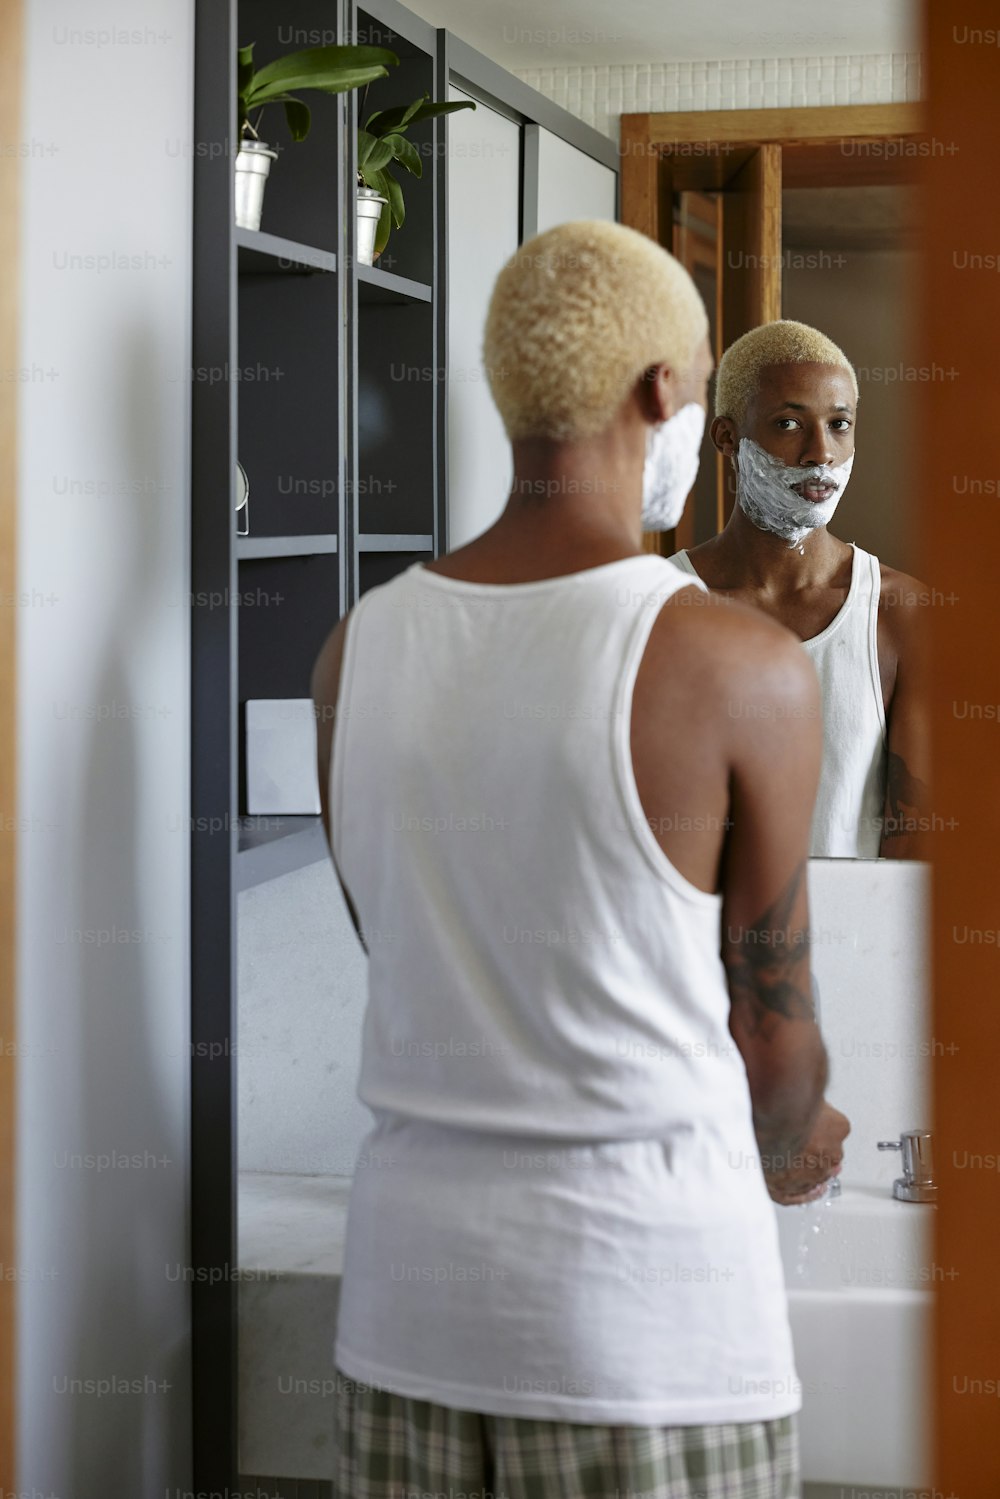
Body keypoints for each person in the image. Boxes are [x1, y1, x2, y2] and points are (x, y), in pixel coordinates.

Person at [310, 221, 849, 1499]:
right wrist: (795, 1135)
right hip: (645, 1334)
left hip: (404, 1323)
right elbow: (776, 1046)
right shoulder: (736, 665)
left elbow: (404, 946)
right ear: (668, 394)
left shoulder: (354, 651)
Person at [668, 319, 930, 859]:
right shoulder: (654, 605)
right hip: (688, 942)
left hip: (856, 941)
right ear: (726, 437)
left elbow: (916, 853)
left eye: (839, 424)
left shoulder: (902, 614)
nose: (820, 453)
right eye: (789, 423)